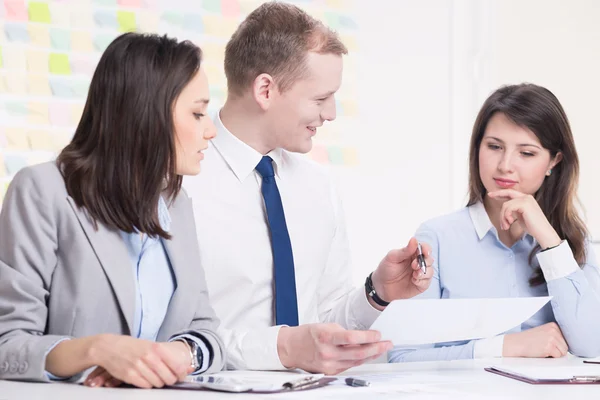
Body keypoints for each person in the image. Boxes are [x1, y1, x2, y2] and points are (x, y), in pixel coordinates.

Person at [183, 2, 434, 375]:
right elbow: (166, 338)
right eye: (320, 98)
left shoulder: (319, 187)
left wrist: (376, 292)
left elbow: (324, 324)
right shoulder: (181, 185)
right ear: (265, 90)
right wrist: (280, 350)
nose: (331, 113)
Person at [0, 32, 224, 387]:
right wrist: (97, 350)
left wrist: (177, 355)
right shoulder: (42, 192)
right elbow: (7, 345)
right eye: (197, 113)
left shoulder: (175, 206)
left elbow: (206, 332)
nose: (210, 129)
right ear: (144, 114)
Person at [389, 83, 600, 362]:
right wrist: (505, 347)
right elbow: (403, 356)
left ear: (554, 161)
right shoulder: (438, 237)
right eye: (494, 147)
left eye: (526, 153)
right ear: (477, 148)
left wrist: (549, 240)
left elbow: (593, 347)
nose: (505, 165)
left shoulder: (572, 242)